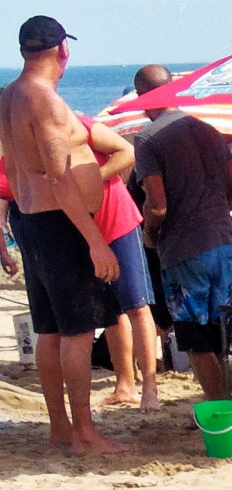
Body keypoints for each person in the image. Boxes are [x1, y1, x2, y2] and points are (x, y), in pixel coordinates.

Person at [0, 16, 121, 452]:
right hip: (58, 224)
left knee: (50, 330)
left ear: (23, 50)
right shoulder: (45, 100)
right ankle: (85, 433)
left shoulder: (8, 96)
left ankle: (60, 429)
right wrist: (96, 241)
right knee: (77, 331)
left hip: (30, 219)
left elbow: (15, 170)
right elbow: (59, 177)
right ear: (62, 50)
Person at [136, 99, 232, 400]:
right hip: (223, 243)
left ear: (144, 104)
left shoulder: (147, 138)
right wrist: (212, 213)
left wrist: (150, 234)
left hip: (184, 249)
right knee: (219, 333)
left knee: (195, 339)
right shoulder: (208, 129)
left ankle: (219, 408)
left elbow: (158, 205)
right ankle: (227, 405)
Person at [73, 113, 157, 409]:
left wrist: (91, 180)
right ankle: (125, 384)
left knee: (136, 304)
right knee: (109, 311)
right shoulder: (32, 138)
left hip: (117, 220)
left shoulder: (77, 123)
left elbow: (128, 152)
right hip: (85, 230)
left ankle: (150, 388)